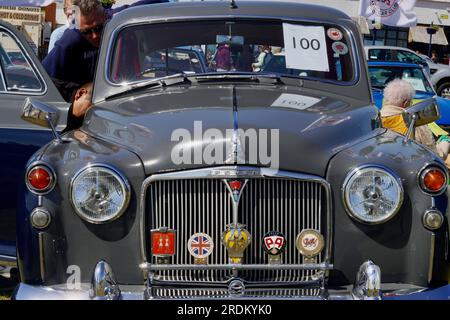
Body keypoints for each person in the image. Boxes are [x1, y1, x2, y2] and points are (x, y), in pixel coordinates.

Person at [43, 0, 168, 88]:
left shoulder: (115, 18)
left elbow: (155, 3)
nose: (95, 35)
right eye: (87, 32)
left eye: (99, 28)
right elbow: (45, 78)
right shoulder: (70, 39)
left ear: (105, 17)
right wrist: (78, 92)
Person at [381, 79, 450, 160]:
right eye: (411, 101)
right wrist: (445, 142)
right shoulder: (414, 122)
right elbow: (433, 155)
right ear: (406, 103)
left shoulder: (376, 118)